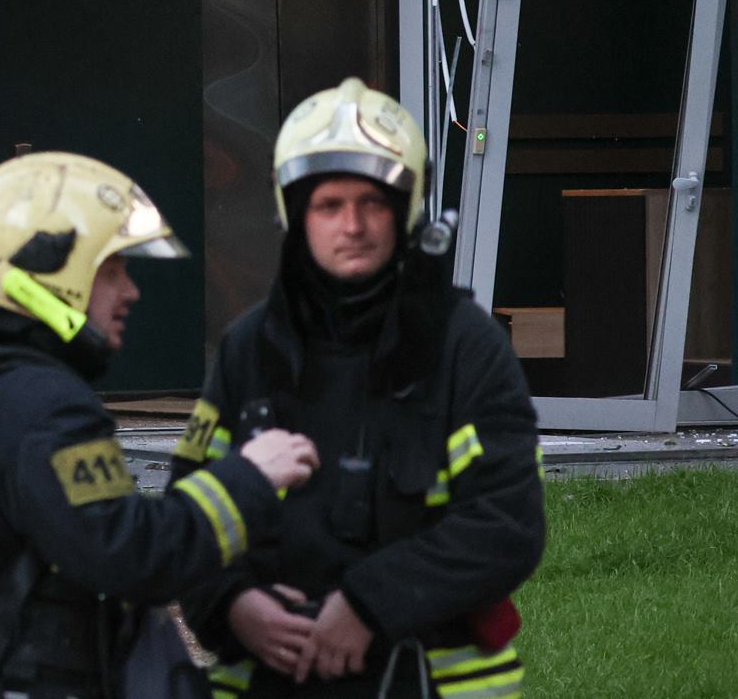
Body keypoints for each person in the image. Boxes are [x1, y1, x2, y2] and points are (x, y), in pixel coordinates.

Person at [172, 79, 545, 698]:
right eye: (329, 205)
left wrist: (370, 605)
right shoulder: (247, 349)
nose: (353, 225)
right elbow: (192, 513)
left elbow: (507, 523)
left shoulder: (465, 346)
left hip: (422, 678)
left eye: (373, 202)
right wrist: (234, 605)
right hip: (269, 677)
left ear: (406, 210)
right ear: (295, 214)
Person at [0, 152, 319, 698]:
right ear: (56, 270)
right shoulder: (45, 406)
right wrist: (249, 480)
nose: (131, 291)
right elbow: (130, 556)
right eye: (113, 269)